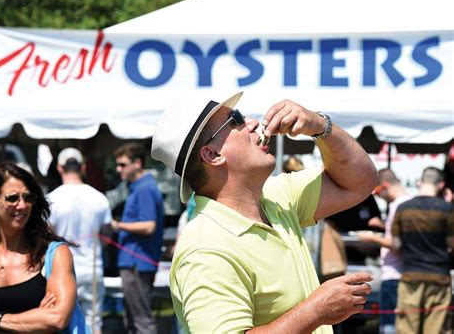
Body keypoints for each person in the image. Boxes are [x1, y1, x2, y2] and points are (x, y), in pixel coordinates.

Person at [151, 92, 378, 333]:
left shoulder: (275, 196)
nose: (253, 123)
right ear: (213, 155)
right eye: (236, 119)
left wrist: (320, 126)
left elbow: (360, 181)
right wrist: (316, 311)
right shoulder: (204, 249)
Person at [0, 162, 78, 332]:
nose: (22, 205)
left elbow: (56, 319)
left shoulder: (54, 254)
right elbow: (44, 322)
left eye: (28, 198)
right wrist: (33, 319)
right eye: (12, 198)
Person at [48, 147, 113, 333]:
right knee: (93, 322)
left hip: (60, 270)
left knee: (62, 323)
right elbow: (107, 237)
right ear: (83, 167)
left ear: (60, 168)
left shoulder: (52, 199)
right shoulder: (99, 198)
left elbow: (45, 236)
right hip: (91, 268)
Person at [391, 166, 454, 334]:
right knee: (436, 328)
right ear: (441, 185)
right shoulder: (447, 209)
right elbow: (452, 244)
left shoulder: (403, 208)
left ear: (419, 182)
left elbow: (396, 245)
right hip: (439, 276)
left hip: (410, 275)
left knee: (407, 328)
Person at [111, 142, 164, 334]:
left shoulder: (145, 188)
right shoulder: (138, 187)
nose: (118, 169)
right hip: (134, 262)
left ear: (138, 163)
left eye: (123, 165)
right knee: (133, 320)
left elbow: (149, 226)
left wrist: (117, 225)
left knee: (141, 320)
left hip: (138, 263)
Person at [357, 168, 411, 333]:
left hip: (395, 274)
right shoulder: (404, 205)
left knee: (390, 326)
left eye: (378, 192)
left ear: (385, 186)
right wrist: (383, 225)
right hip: (398, 273)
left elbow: (398, 243)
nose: (378, 196)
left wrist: (372, 238)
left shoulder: (400, 206)